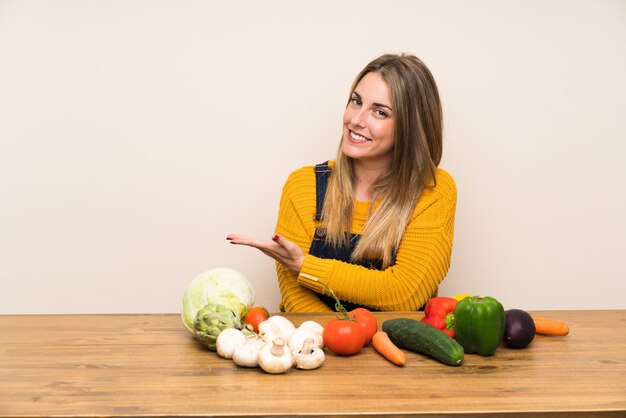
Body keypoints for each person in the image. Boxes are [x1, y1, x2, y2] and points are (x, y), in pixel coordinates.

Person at [227, 53, 457, 312]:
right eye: (356, 102)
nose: (356, 120)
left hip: (398, 348)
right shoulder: (303, 186)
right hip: (315, 344)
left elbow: (404, 294)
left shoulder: (433, 190)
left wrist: (305, 266)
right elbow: (297, 298)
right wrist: (339, 340)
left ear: (411, 128)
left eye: (380, 112)